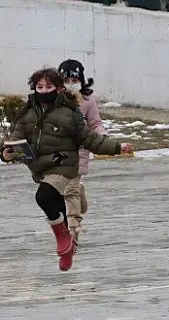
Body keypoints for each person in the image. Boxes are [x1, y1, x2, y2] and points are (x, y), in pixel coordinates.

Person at [0, 68, 132, 271]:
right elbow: (15, 140)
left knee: (43, 197)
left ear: (59, 89)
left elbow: (89, 138)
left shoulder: (70, 113)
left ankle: (63, 236)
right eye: (39, 87)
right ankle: (68, 245)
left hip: (65, 166)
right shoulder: (28, 113)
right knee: (54, 203)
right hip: (42, 168)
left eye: (49, 86)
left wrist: (116, 147)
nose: (44, 91)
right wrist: (7, 153)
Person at [57, 59, 105, 240]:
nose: (70, 85)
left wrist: (102, 136)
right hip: (58, 152)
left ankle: (73, 226)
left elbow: (95, 123)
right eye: (66, 81)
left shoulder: (87, 101)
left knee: (70, 190)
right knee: (62, 189)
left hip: (78, 151)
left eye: (74, 81)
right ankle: (80, 192)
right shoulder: (55, 101)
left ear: (81, 81)